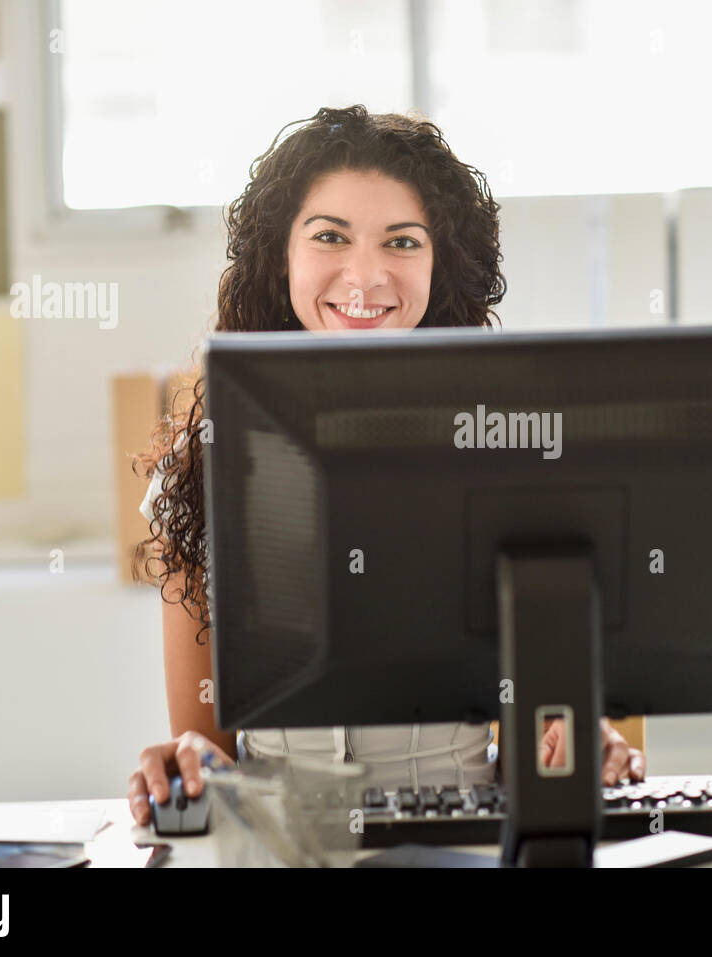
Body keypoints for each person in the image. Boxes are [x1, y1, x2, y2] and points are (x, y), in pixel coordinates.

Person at [126, 105, 645, 827]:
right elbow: (207, 744)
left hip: (464, 832)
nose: (364, 276)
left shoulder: (514, 449)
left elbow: (542, 727)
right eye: (329, 236)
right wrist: (184, 762)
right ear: (282, 259)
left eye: (402, 241)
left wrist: (573, 743)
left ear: (442, 264)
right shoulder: (203, 464)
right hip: (285, 842)